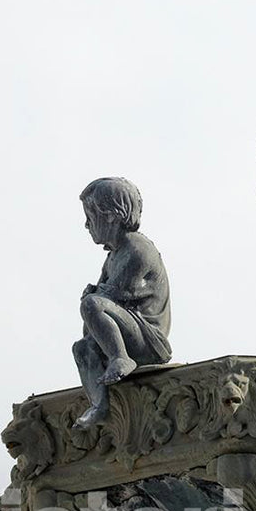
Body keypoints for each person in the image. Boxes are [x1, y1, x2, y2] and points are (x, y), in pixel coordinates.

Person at [71, 177, 172, 430]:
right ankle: (99, 405)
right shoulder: (113, 256)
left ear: (111, 216)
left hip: (149, 341)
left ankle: (121, 358)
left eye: (91, 216)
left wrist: (93, 297)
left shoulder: (137, 248)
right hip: (127, 329)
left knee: (92, 305)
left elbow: (114, 295)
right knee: (81, 348)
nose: (86, 224)